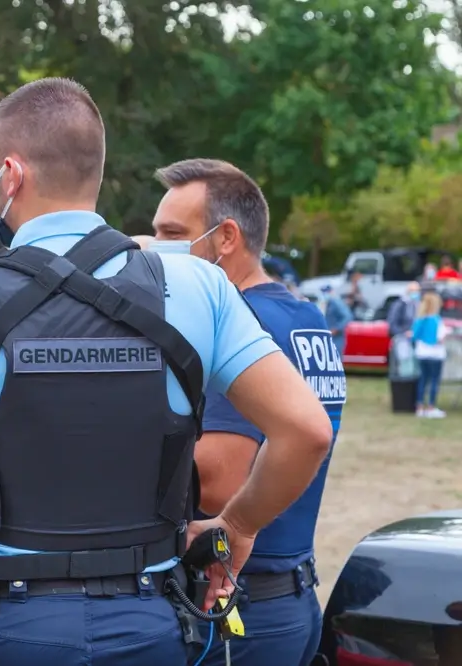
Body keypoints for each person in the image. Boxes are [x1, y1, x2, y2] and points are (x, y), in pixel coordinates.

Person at [0, 78, 333, 666]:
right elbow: (307, 431)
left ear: (9, 175)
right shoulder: (199, 288)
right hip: (153, 623)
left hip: (7, 626)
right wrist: (238, 525)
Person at [153, 158, 345, 666]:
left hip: (238, 610)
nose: (156, 249)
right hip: (289, 595)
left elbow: (219, 478)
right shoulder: (305, 317)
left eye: (173, 234)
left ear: (226, 237)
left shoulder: (243, 322)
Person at [413, 290, 449, 419]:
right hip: (436, 354)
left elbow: (414, 335)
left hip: (422, 353)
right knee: (434, 380)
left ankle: (419, 407)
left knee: (423, 379)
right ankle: (431, 407)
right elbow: (440, 337)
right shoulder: (437, 320)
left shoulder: (420, 319)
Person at [322, 285, 353, 355]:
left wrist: (337, 328)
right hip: (328, 337)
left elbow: (347, 316)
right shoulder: (325, 303)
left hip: (336, 338)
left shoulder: (336, 302)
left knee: (336, 358)